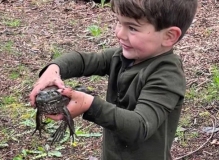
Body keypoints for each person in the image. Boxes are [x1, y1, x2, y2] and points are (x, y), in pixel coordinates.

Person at [29, 0, 198, 159]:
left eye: (132, 27)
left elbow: (140, 126)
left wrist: (90, 105)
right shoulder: (123, 57)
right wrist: (54, 69)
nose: (119, 33)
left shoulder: (167, 75)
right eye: (119, 22)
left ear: (169, 36)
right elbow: (85, 61)